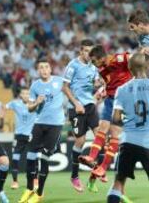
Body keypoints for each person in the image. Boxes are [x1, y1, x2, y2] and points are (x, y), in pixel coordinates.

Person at [107, 53, 149, 203]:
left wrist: (129, 120)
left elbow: (115, 118)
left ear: (129, 68)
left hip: (127, 142)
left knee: (118, 183)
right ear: (147, 67)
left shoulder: (122, 89)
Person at [78, 45, 132, 181]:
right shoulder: (101, 69)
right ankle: (91, 156)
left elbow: (134, 59)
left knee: (114, 134)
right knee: (102, 127)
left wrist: (144, 53)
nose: (93, 64)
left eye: (94, 61)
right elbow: (108, 83)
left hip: (124, 101)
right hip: (110, 100)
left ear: (102, 58)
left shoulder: (119, 59)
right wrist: (100, 90)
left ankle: (103, 167)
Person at [19, 59, 65, 203]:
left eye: (46, 67)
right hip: (38, 124)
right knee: (30, 156)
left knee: (44, 157)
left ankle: (39, 193)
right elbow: (29, 108)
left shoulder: (60, 81)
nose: (44, 70)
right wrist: (37, 103)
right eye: (41, 68)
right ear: (38, 71)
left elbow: (73, 89)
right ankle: (28, 188)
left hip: (55, 124)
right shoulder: (35, 86)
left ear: (51, 69)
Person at [62, 39, 101, 192]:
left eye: (91, 52)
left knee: (100, 137)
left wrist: (98, 86)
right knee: (81, 141)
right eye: (86, 51)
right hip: (76, 108)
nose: (89, 54)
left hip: (90, 105)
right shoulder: (73, 65)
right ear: (81, 51)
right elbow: (64, 87)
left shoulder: (93, 67)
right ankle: (74, 176)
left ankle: (94, 174)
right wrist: (76, 103)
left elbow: (93, 84)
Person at [5, 87, 37, 190]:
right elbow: (4, 107)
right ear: (21, 95)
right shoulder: (15, 103)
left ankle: (35, 179)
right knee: (15, 158)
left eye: (28, 93)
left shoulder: (35, 104)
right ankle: (15, 181)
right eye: (24, 93)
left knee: (33, 157)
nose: (26, 95)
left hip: (31, 135)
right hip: (19, 135)